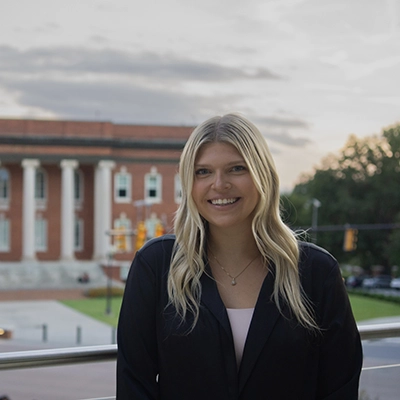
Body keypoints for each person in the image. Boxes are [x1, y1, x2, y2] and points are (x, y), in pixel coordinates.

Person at [117, 113, 363, 399]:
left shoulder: (315, 272)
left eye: (236, 169)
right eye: (203, 172)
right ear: (188, 183)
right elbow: (134, 383)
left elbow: (340, 386)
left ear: (262, 175)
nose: (219, 184)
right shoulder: (156, 265)